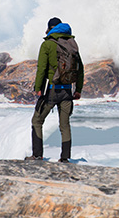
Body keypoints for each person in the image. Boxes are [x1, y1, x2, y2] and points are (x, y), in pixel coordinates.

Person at [26, 17, 84, 162]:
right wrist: (78, 89)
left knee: (37, 121)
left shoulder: (48, 44)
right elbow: (80, 68)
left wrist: (38, 88)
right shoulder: (72, 43)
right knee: (64, 125)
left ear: (50, 28)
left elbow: (41, 69)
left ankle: (37, 155)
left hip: (52, 91)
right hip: (67, 91)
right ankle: (65, 158)